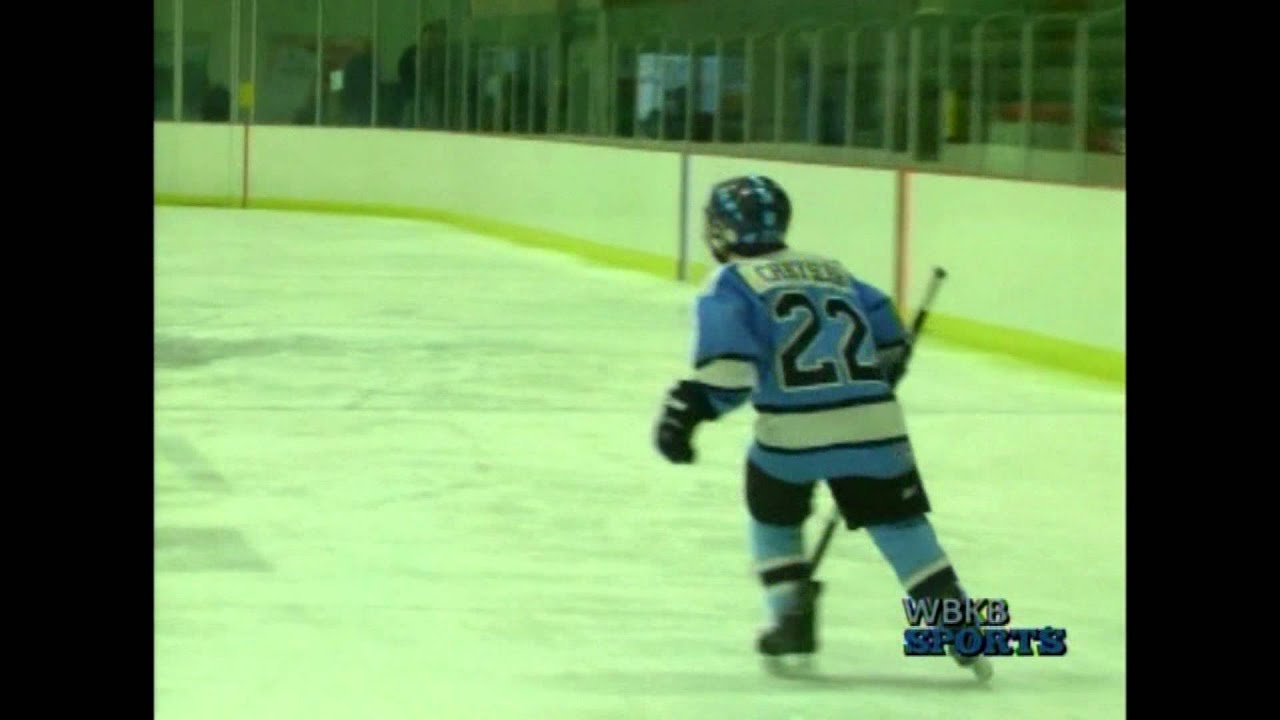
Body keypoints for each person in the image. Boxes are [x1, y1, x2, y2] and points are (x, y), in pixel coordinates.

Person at [652, 175, 992, 681]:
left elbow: (728, 374)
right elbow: (888, 340)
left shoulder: (731, 283)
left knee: (772, 509)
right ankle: (958, 625)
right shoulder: (835, 272)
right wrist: (886, 369)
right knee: (901, 527)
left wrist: (687, 412)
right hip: (877, 429)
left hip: (792, 438)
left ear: (723, 231)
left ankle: (792, 614)